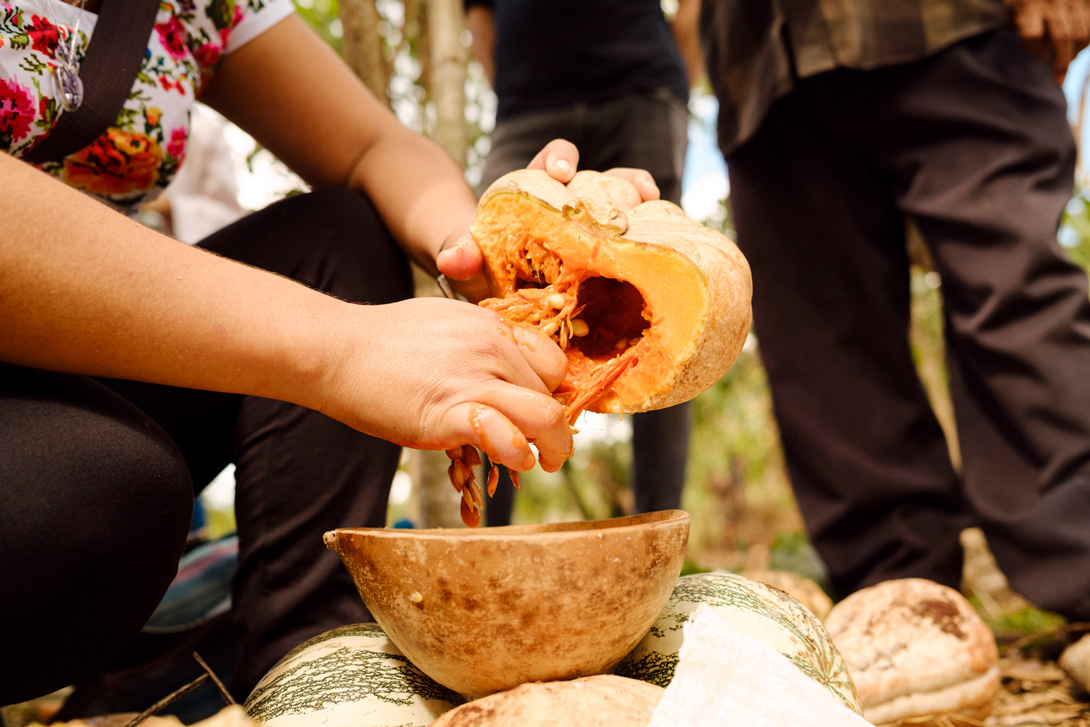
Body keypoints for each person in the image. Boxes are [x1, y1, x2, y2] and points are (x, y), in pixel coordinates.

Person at [0, 0, 662, 706]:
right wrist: (342, 349)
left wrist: (491, 248)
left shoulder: (195, 8)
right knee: (95, 500)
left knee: (344, 234)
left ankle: (307, 671)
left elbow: (372, 148)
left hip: (78, 367)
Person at [700, 0, 1090, 620]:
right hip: (762, 68)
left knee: (1018, 297)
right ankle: (905, 604)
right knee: (823, 350)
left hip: (950, 24)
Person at [462, 0, 703, 524]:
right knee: (492, 302)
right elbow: (477, 13)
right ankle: (489, 535)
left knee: (671, 312)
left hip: (642, 89)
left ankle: (658, 534)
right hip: (526, 105)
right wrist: (510, 85)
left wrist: (678, 78)